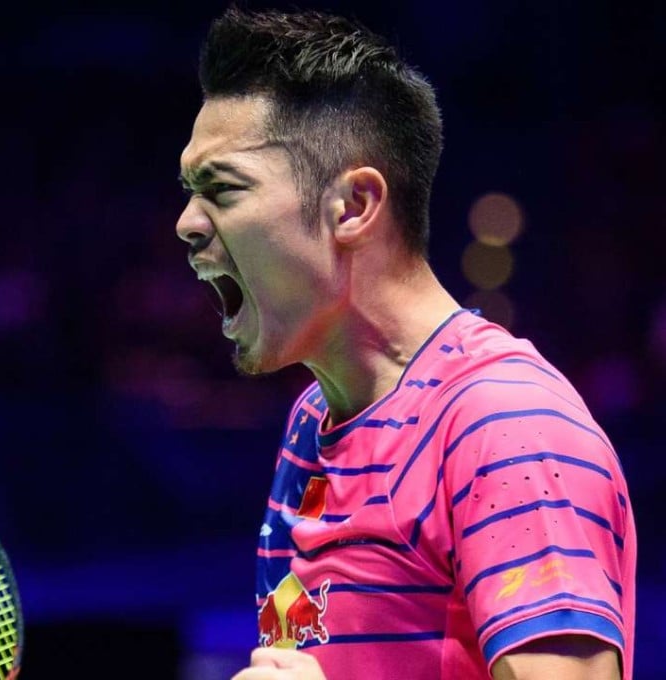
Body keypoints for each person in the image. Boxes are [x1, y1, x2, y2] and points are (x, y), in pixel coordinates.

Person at [174, 8, 635, 680]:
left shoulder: (506, 425)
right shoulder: (313, 422)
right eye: (191, 191)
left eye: (222, 189)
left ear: (354, 205)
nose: (187, 223)